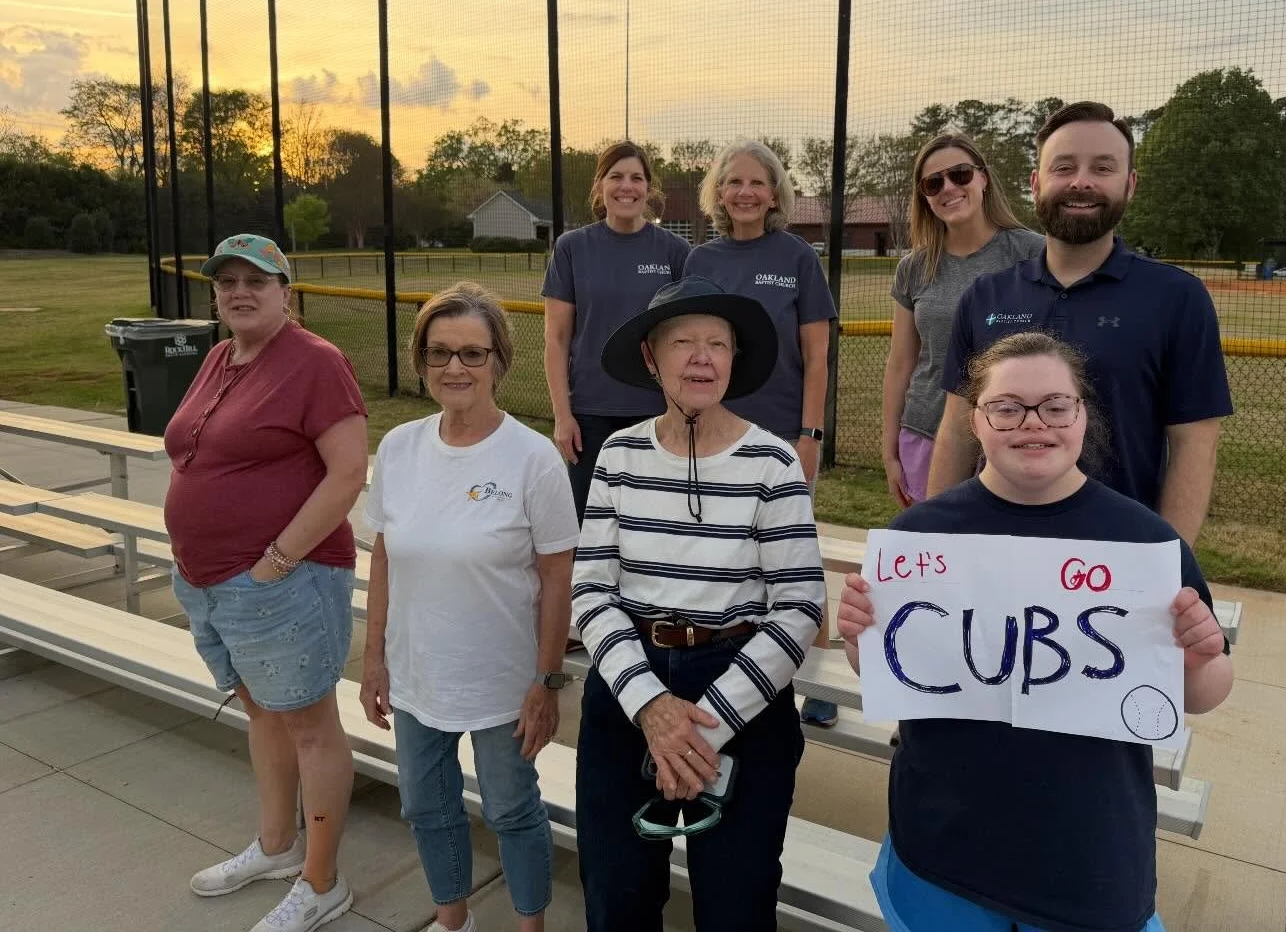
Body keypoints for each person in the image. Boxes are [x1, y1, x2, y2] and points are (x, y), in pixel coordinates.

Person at [839, 331, 1234, 932]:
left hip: (1087, 855)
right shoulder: (921, 535)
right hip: (944, 846)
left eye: (1055, 406)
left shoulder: (1143, 542)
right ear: (976, 420)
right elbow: (892, 671)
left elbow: (1203, 693)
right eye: (1006, 408)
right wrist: (858, 638)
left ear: (1083, 416)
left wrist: (1199, 657)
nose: (1033, 423)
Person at [570, 277, 827, 932]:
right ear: (651, 358)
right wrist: (652, 708)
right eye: (683, 342)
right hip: (631, 684)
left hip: (741, 684)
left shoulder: (772, 462)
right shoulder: (619, 455)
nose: (702, 358)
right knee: (617, 895)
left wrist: (703, 727)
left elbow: (800, 604)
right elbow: (592, 590)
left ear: (734, 359)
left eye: (718, 343)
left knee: (737, 904)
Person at [165, 233, 369, 932]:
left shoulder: (316, 362)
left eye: (256, 280)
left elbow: (348, 472)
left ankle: (322, 881)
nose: (239, 292)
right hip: (209, 580)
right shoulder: (221, 356)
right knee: (261, 710)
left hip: (283, 581)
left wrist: (275, 561)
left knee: (311, 726)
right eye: (227, 282)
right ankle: (278, 846)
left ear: (286, 291)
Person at [360, 283, 578, 932]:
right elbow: (384, 556)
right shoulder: (399, 448)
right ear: (422, 360)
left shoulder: (533, 458)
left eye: (472, 354)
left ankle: (530, 926)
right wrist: (373, 659)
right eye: (440, 352)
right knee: (426, 808)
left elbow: (558, 578)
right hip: (417, 674)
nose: (455, 367)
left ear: (499, 361)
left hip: (502, 682)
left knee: (511, 810)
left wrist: (547, 682)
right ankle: (452, 920)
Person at [927, 101, 1233, 547]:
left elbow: (1194, 444)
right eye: (1064, 167)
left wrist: (1167, 564)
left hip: (1116, 556)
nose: (1081, 181)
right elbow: (957, 429)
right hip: (991, 554)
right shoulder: (985, 296)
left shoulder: (1177, 298)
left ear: (1130, 185)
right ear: (1036, 183)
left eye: (1102, 168)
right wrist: (932, 544)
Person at [684, 139, 839, 727]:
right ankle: (738, 665)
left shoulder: (797, 256)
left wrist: (810, 433)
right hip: (714, 431)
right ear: (718, 193)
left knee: (797, 557)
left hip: (781, 432)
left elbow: (817, 356)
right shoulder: (701, 262)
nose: (745, 192)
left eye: (757, 182)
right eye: (734, 182)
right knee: (728, 554)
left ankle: (818, 680)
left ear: (775, 194)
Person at [882, 132, 1044, 508]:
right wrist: (889, 451)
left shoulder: (1032, 253)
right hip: (926, 433)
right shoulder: (914, 267)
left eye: (960, 174)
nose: (948, 188)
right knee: (935, 543)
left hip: (1012, 437)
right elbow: (901, 363)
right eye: (933, 183)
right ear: (924, 196)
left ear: (983, 177)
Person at [543, 141, 691, 513]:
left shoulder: (674, 251)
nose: (627, 186)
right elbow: (557, 340)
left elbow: (688, 336)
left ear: (648, 188)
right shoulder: (572, 248)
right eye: (616, 177)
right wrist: (563, 416)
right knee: (592, 524)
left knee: (655, 522)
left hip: (659, 412)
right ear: (600, 185)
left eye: (636, 178)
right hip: (590, 415)